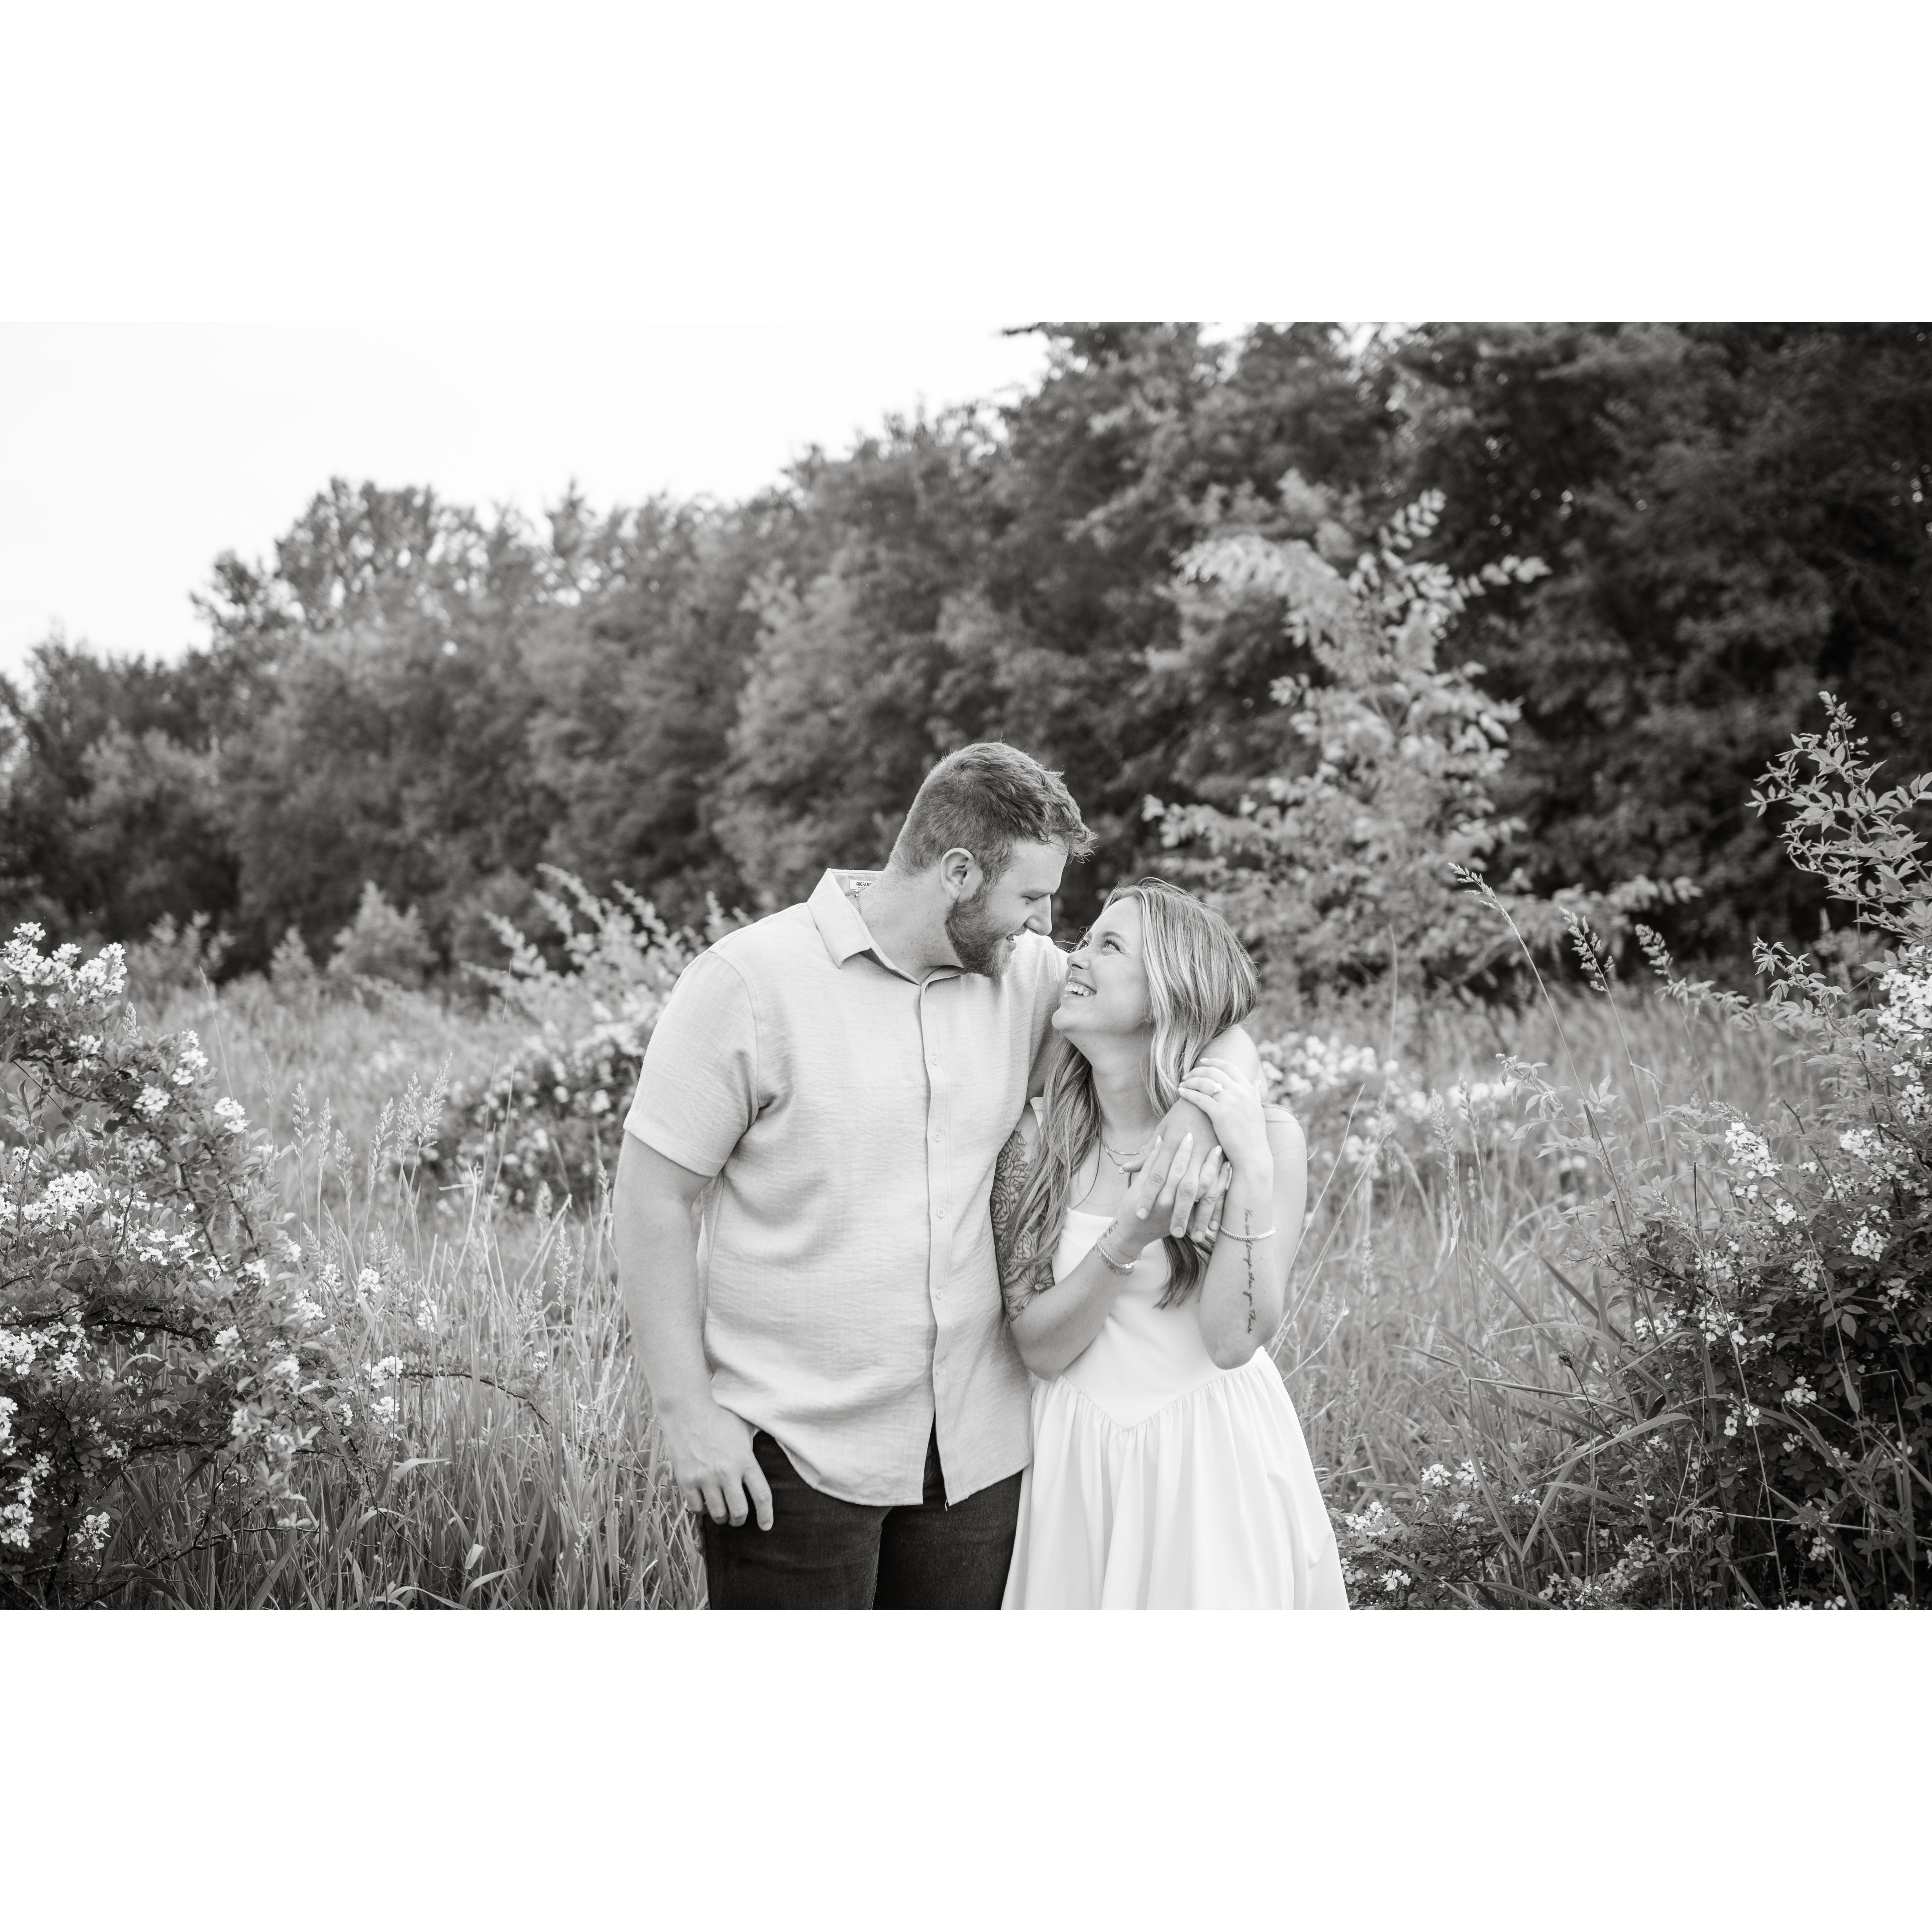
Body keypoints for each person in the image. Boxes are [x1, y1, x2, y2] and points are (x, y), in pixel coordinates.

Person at [613, 742, 1258, 1610]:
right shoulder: (749, 982)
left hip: (976, 1467)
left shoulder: (1028, 980)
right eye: (1029, 897)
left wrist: (1192, 1116)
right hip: (792, 1460)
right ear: (958, 873)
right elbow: (651, 1198)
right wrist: (687, 1415)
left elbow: (1206, 1007)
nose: (1046, 926)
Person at [994, 878, 1349, 1610]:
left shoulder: (1269, 1138)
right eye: (1085, 940)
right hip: (1076, 1459)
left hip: (1213, 1458)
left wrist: (1251, 1173)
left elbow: (1232, 1340)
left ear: (1167, 994)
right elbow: (1040, 1349)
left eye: (1109, 946)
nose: (1075, 957)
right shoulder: (1039, 1139)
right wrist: (1132, 1231)